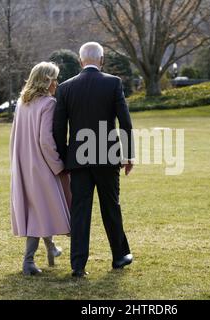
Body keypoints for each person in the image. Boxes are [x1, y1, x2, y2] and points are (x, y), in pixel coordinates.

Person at [53, 42, 135, 278]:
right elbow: (125, 122)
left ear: (80, 61)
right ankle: (119, 255)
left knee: (80, 211)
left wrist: (63, 158)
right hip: (107, 156)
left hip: (78, 158)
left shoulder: (66, 88)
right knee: (111, 206)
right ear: (101, 60)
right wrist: (128, 154)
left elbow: (59, 128)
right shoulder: (113, 83)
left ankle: (78, 266)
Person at [10, 62, 71, 276]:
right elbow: (46, 140)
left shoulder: (21, 103)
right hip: (41, 165)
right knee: (39, 210)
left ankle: (51, 249)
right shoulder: (48, 103)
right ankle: (28, 261)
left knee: (39, 207)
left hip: (23, 164)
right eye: (55, 78)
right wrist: (58, 165)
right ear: (47, 81)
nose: (57, 82)